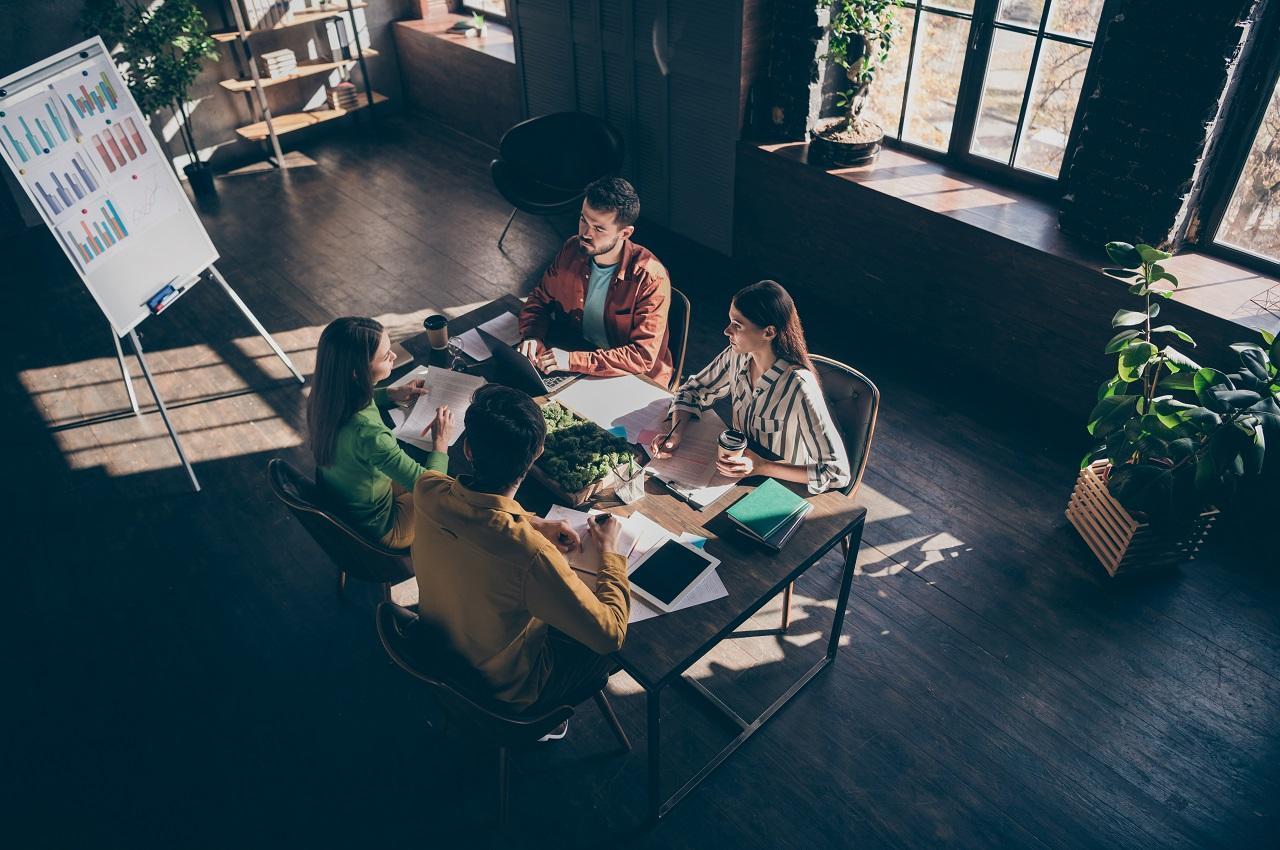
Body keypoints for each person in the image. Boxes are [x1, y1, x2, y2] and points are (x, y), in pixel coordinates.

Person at [412, 384, 629, 716]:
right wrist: (611, 554)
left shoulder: (427, 491)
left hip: (436, 653)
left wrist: (535, 523)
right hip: (500, 693)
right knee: (603, 655)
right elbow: (609, 635)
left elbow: (481, 514)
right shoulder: (532, 555)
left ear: (468, 449)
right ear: (538, 452)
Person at [649, 280, 851, 495]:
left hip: (779, 485)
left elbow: (837, 471)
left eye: (737, 325)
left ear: (769, 332)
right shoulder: (737, 355)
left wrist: (762, 466)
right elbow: (692, 390)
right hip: (734, 473)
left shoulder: (799, 387)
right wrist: (676, 433)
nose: (727, 331)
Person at [307, 317, 453, 548]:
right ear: (357, 373)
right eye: (386, 356)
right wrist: (441, 444)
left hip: (345, 501)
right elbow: (432, 491)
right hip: (382, 527)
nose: (394, 356)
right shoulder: (370, 434)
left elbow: (355, 401)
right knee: (453, 498)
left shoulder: (323, 396)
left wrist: (390, 394)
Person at [517, 176, 675, 387]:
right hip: (576, 359)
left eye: (599, 229)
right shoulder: (572, 249)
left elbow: (642, 356)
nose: (585, 234)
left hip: (630, 378)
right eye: (583, 220)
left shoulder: (650, 278)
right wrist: (533, 335)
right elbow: (539, 299)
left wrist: (574, 361)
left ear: (625, 233)